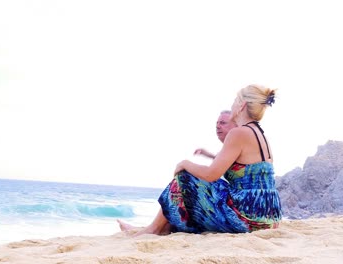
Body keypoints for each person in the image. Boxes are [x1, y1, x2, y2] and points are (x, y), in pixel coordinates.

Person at [118, 84, 282, 235]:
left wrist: (185, 164)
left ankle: (153, 229)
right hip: (269, 216)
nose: (232, 105)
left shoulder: (239, 133)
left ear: (242, 105)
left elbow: (211, 174)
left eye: (235, 100)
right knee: (196, 192)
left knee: (184, 179)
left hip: (250, 217)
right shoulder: (258, 134)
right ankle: (159, 227)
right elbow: (236, 167)